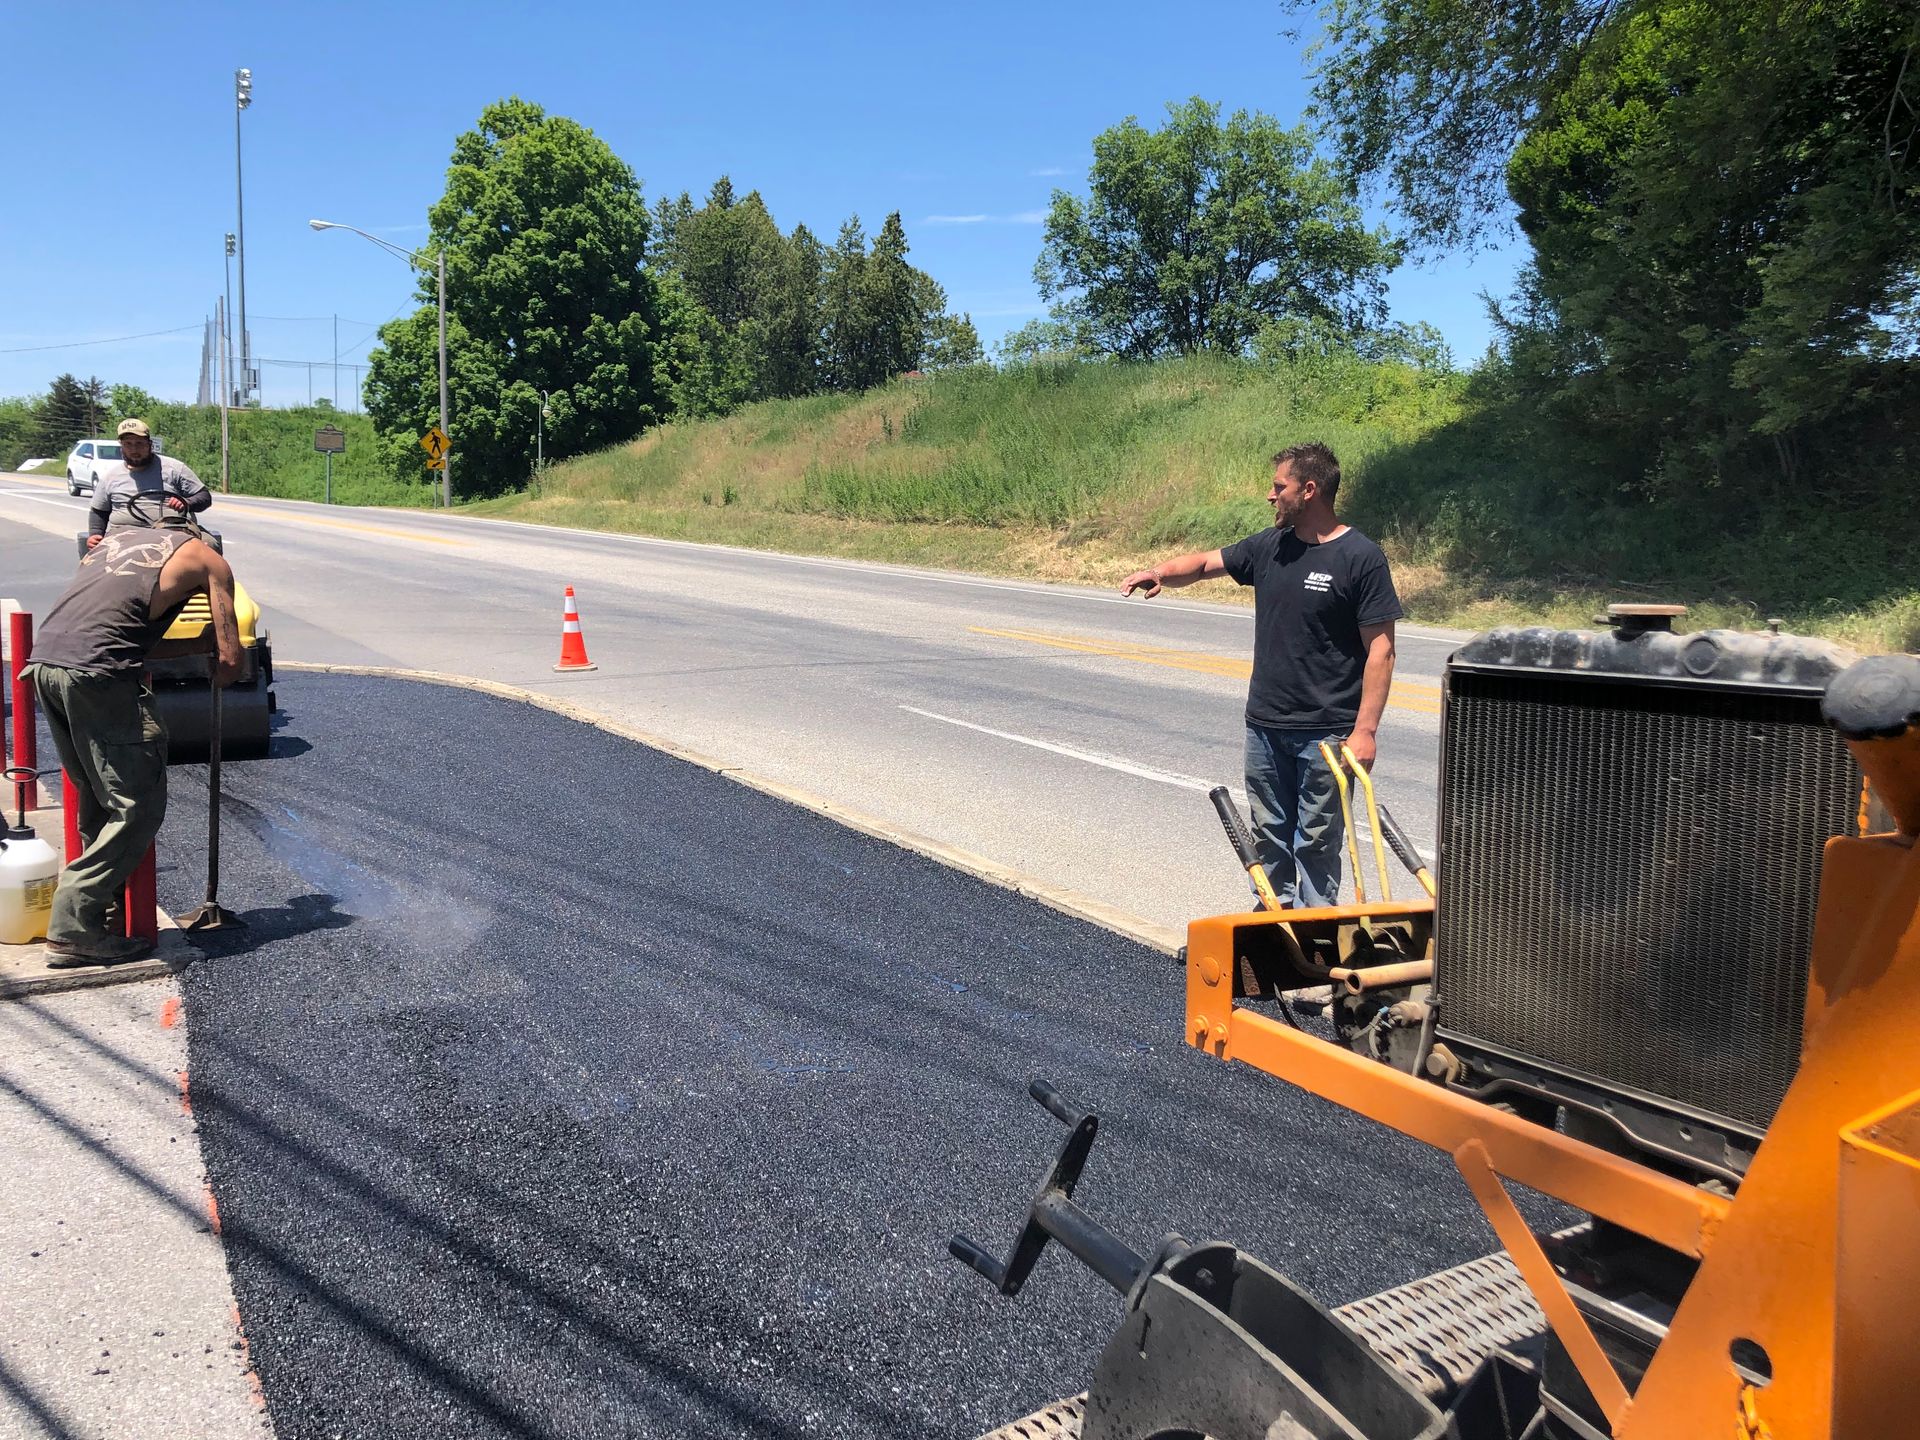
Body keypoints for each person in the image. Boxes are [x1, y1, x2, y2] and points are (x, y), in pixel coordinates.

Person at [1121, 442, 1401, 908]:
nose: (1271, 496)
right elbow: (1209, 562)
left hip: (1327, 733)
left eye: (1279, 486)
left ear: (1308, 490)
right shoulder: (1271, 547)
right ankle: (1274, 924)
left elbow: (1382, 651)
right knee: (1269, 834)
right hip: (1266, 726)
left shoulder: (1360, 557)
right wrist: (1160, 572)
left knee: (1317, 840)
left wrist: (1365, 732)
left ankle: (1318, 934)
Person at [25, 516, 241, 965]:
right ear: (199, 536)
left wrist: (194, 644)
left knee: (97, 797)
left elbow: (122, 638)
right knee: (137, 804)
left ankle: (98, 916)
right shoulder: (207, 559)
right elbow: (231, 661)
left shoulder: (113, 546)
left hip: (47, 664)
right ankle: (72, 924)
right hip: (98, 678)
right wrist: (222, 656)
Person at [86, 418, 211, 548]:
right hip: (122, 537)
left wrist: (187, 502)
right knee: (94, 562)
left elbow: (204, 496)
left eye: (139, 443)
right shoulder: (110, 476)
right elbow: (98, 511)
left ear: (149, 444)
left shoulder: (174, 468)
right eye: (128, 444)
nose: (134, 449)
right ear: (121, 446)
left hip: (174, 533)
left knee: (209, 546)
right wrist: (95, 534)